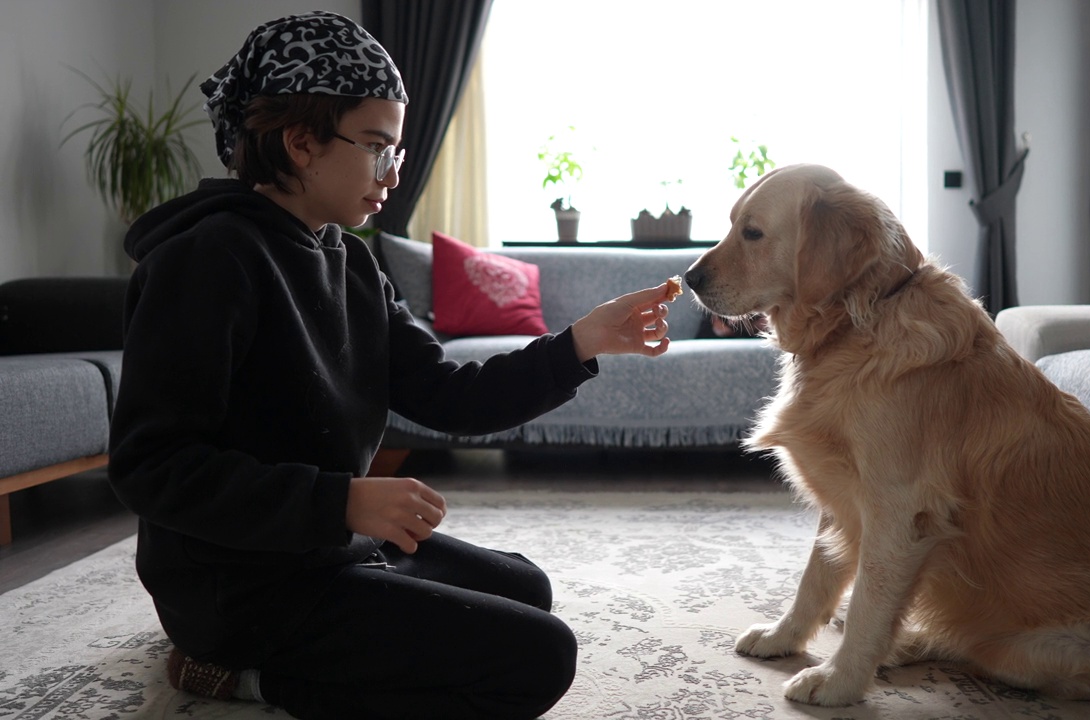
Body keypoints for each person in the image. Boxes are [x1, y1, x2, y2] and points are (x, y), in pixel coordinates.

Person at [107, 11, 672, 720]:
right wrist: (339, 500)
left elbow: (449, 394)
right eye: (378, 148)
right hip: (241, 586)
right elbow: (149, 465)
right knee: (540, 656)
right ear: (302, 141)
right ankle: (241, 676)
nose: (394, 175)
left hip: (331, 546)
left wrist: (579, 344)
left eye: (399, 151)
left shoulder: (350, 264)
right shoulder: (207, 258)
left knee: (528, 589)